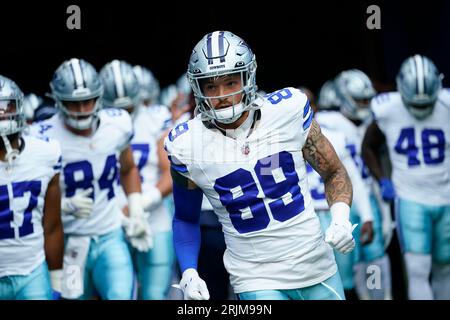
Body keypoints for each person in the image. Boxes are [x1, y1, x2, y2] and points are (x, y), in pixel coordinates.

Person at [165, 31, 356, 300]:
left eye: (231, 82)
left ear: (248, 76)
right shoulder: (186, 145)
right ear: (198, 88)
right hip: (255, 277)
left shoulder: (287, 111)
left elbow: (333, 171)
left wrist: (340, 218)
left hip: (316, 266)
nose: (221, 95)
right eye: (211, 86)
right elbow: (185, 217)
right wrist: (189, 272)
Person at [29, 58, 150, 300]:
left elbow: (127, 168)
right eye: (74, 103)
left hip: (110, 235)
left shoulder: (117, 123)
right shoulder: (42, 137)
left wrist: (136, 207)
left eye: (88, 101)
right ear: (58, 100)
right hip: (71, 242)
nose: (83, 109)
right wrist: (61, 206)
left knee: (122, 295)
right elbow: (28, 193)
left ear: (99, 96)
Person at [362, 55, 450, 300]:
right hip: (411, 198)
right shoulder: (387, 109)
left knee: (446, 267)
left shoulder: (446, 104)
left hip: (446, 197)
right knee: (418, 270)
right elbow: (367, 147)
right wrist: (383, 180)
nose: (420, 109)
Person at [100, 59, 174, 300]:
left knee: (154, 294)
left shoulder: (156, 117)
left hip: (153, 217)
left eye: (129, 108)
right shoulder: (94, 125)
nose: (123, 115)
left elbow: (171, 171)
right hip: (110, 220)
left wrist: (140, 203)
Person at [316, 71, 393, 300]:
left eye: (367, 100)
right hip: (340, 200)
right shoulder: (327, 123)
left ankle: (378, 296)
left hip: (365, 194)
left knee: (374, 257)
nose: (364, 105)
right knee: (350, 261)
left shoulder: (370, 122)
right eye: (359, 100)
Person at [306, 81, 374, 300]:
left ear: (315, 108)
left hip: (336, 212)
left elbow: (351, 178)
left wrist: (367, 216)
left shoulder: (333, 136)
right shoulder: (275, 142)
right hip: (306, 219)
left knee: (348, 275)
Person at [0, 75, 63, 299]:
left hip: (32, 272)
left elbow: (53, 226)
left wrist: (56, 280)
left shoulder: (45, 153)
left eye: (5, 107)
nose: (1, 114)